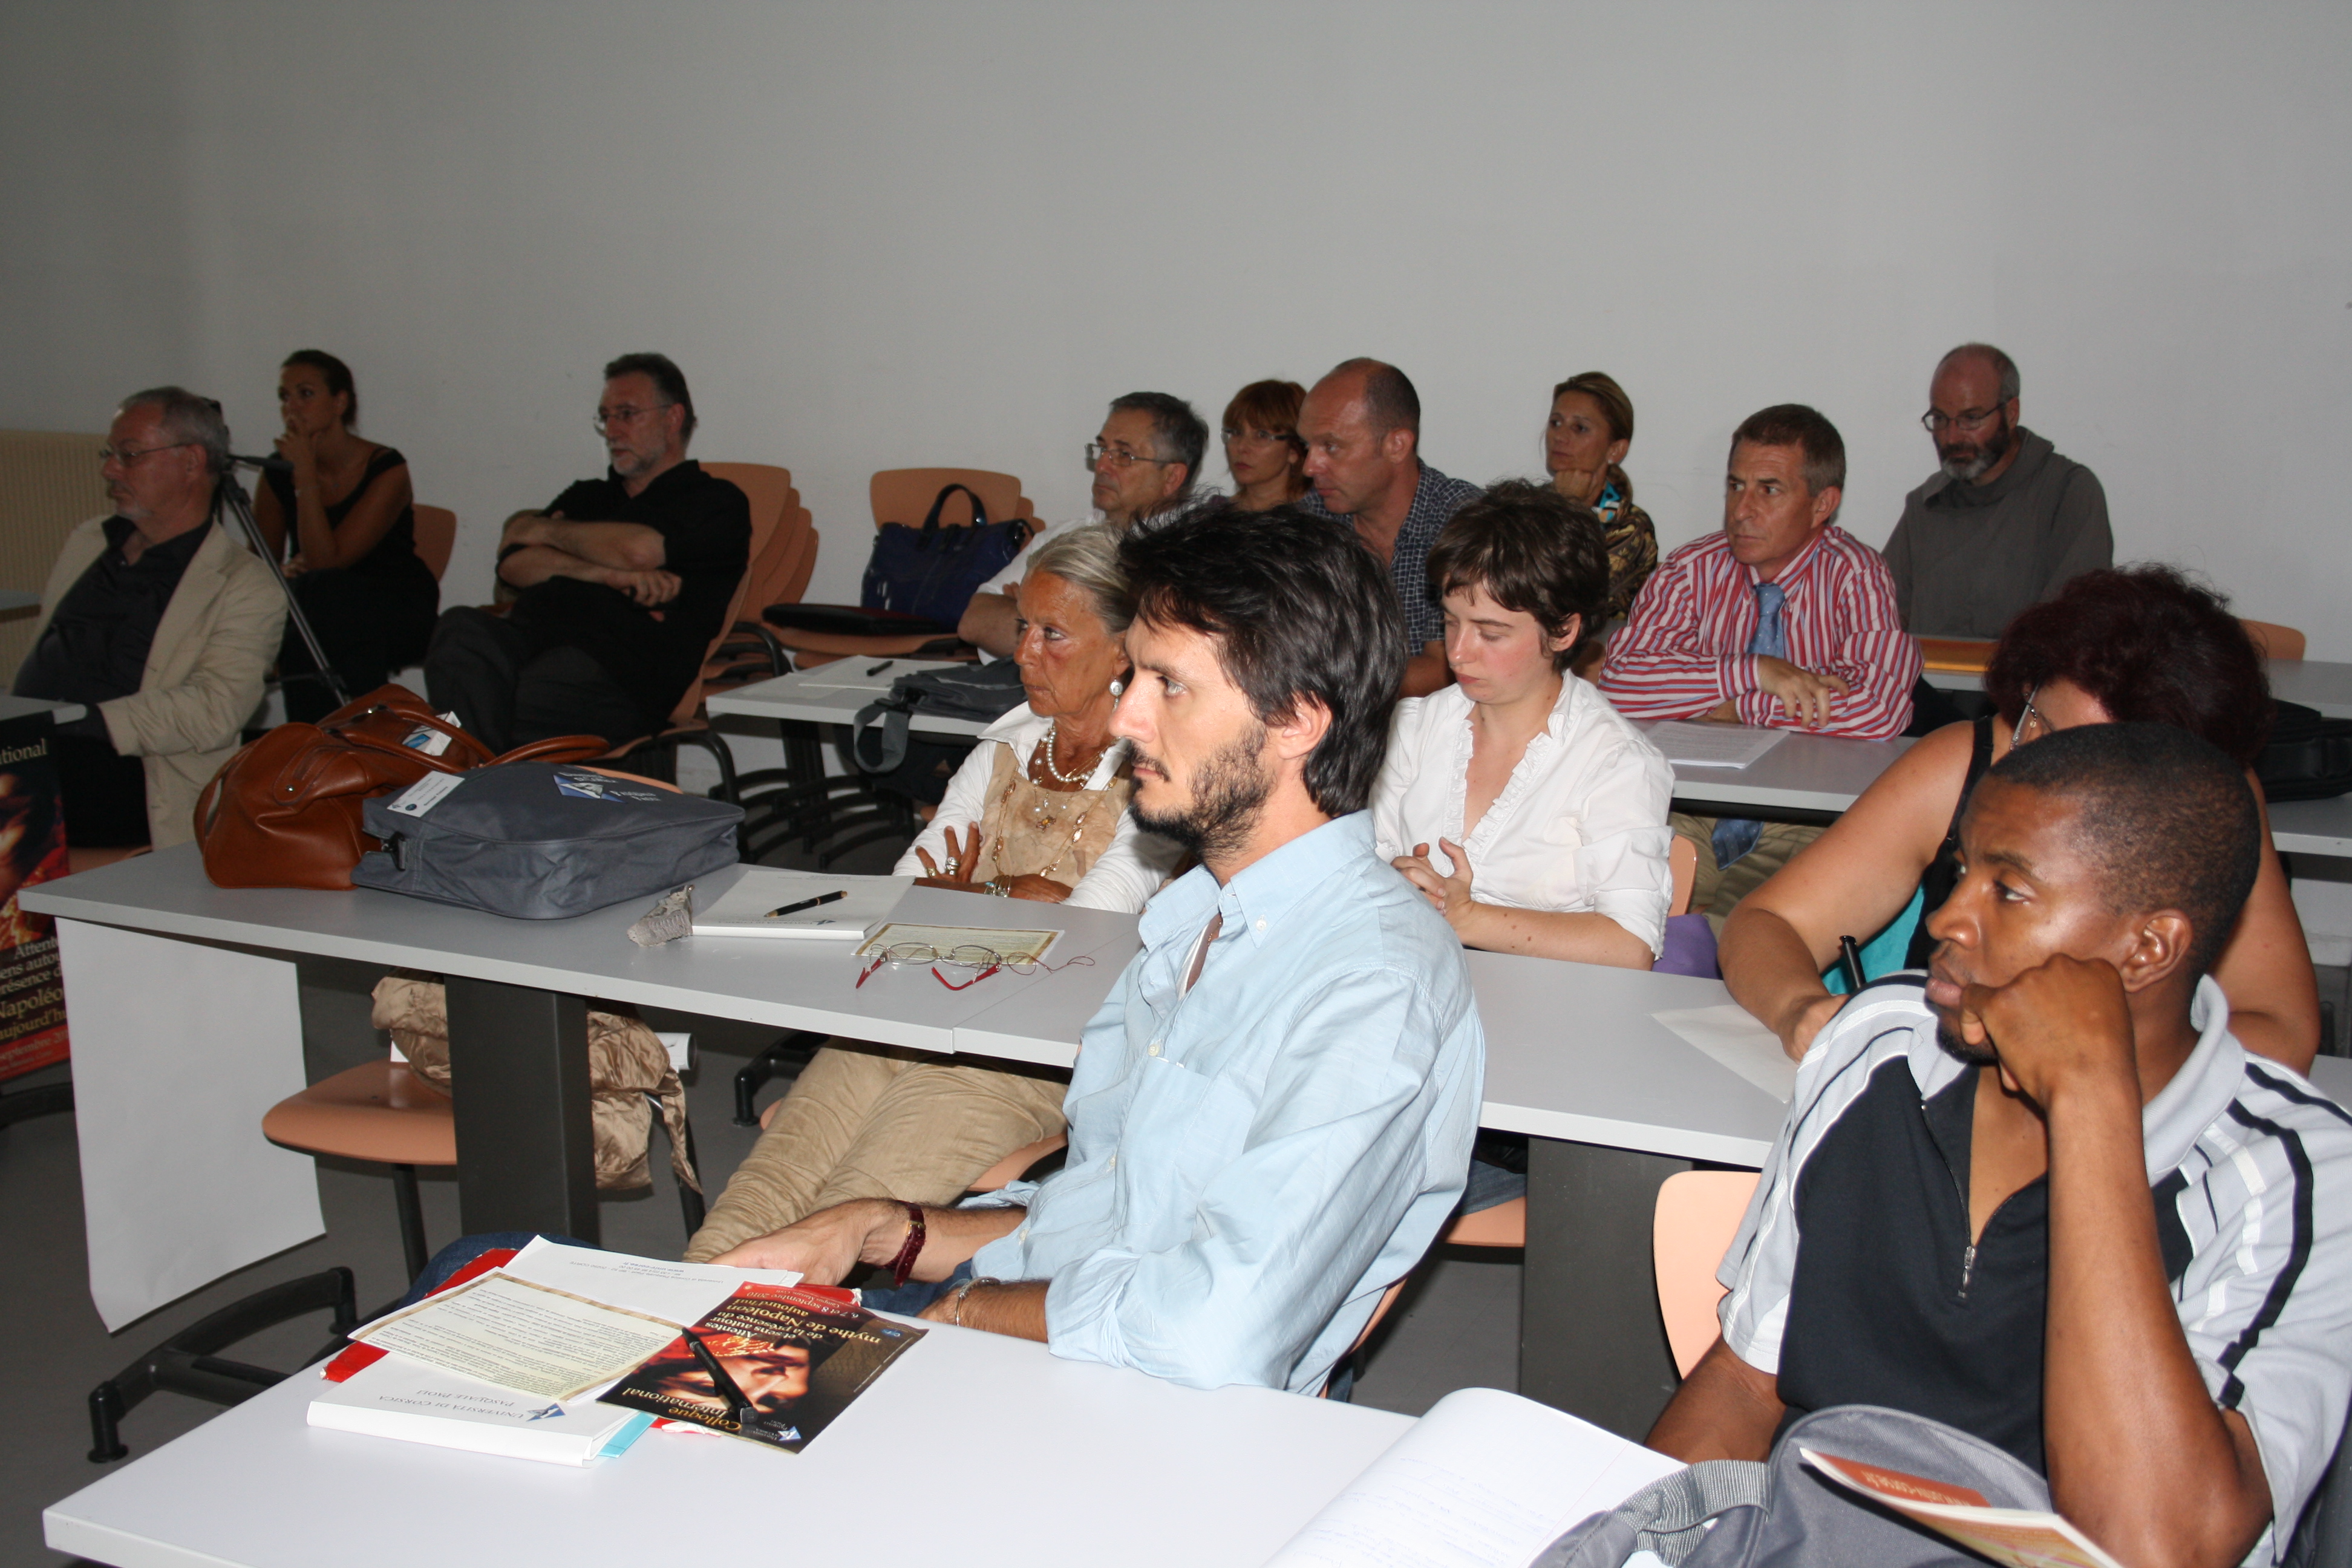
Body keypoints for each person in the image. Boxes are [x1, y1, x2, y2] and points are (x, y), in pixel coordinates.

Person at [713, 505, 1484, 1396]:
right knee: (701, 1330)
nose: (1125, 719)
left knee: (720, 1410)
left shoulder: (1373, 985)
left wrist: (962, 1314)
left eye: (1170, 686)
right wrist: (885, 1228)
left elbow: (1209, 1335)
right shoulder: (1188, 923)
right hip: (1045, 1336)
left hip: (1138, 1418)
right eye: (1134, 678)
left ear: (1296, 721)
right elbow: (1100, 1219)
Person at [1650, 723, 2352, 1568]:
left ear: (2148, 949)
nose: (1946, 918)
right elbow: (1745, 1382)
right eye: (1961, 872)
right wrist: (1642, 1544)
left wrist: (2088, 1099)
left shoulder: (2294, 1176)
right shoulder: (1882, 1042)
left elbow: (2154, 1547)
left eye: (2008, 892)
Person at [684, 524, 1182, 1259]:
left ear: (1121, 651)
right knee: (758, 1195)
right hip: (907, 1009)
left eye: (1052, 635)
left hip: (1022, 1053)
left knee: (846, 1218)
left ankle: (748, 1331)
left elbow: (1087, 926)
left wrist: (969, 893)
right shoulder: (1009, 743)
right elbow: (907, 890)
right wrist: (1014, 892)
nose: (1023, 653)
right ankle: (656, 1325)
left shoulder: (1163, 773)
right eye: (1023, 628)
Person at [1720, 565, 2320, 1070]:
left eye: (2088, 761)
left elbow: (2282, 1030)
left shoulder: (2213, 800)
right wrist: (1799, 1010)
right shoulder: (1963, 764)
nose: (2043, 764)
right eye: (2040, 724)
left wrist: (2077, 1061)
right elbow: (1767, 922)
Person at [1599, 404, 1918, 923]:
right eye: (1735, 486)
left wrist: (1738, 709)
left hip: (1802, 821)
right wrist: (1754, 672)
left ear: (1822, 505)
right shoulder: (1692, 568)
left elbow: (1880, 709)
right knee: (1628, 925)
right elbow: (1620, 683)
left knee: (1742, 942)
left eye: (1769, 490)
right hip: (1688, 808)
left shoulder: (1856, 575)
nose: (1741, 510)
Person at [1374, 481, 1671, 971]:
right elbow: (1354, 870)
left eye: (1490, 633)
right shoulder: (1414, 729)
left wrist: (1467, 917)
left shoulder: (1615, 761)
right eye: (1451, 622)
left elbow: (1630, 946)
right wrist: (1390, 881)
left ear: (1564, 631)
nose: (1459, 652)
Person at [423, 353, 749, 753]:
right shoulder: (587, 495)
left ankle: (460, 773)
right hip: (530, 640)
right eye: (605, 417)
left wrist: (547, 532)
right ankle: (470, 773)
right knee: (460, 628)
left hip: (619, 672)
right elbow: (514, 563)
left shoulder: (715, 501)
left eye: (626, 414)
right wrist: (607, 575)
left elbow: (639, 552)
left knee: (477, 708)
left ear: (673, 417)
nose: (612, 431)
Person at [13, 388, 286, 849]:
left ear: (191, 463)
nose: (109, 469)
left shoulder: (245, 584)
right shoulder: (88, 541)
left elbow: (216, 709)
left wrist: (81, 721)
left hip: (132, 780)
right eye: (109, 454)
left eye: (130, 454)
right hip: (30, 761)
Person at [251, 350, 439, 722]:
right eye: (284, 397)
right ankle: (340, 736)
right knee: (313, 601)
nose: (292, 408)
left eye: (306, 394)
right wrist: (283, 573)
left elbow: (327, 562)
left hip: (395, 602)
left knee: (322, 595)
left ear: (340, 402)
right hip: (321, 604)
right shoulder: (276, 473)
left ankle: (335, 737)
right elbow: (257, 565)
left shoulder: (387, 467)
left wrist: (305, 478)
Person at [1883, 343, 2112, 638]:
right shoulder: (1924, 506)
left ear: (2011, 413)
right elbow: (1877, 617)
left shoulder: (2068, 493)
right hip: (1928, 670)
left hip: (2028, 670)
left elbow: (2077, 629)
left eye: (1971, 419)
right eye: (1940, 419)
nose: (1951, 437)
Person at [956, 392, 1207, 658]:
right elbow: (974, 621)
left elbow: (1148, 655)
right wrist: (1066, 631)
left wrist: (1029, 615)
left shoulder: (1195, 554)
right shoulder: (1065, 536)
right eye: (1102, 449)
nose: (1102, 465)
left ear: (1172, 477)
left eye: (1124, 455)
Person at [1298, 358, 1483, 698]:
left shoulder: (1464, 521)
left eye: (1331, 447)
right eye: (1308, 447)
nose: (1310, 467)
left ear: (1397, 445)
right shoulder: (1311, 520)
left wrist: (1322, 691)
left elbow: (1446, 668)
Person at [1545, 371, 1656, 623]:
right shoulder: (1525, 505)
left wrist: (1567, 506)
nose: (1560, 436)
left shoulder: (1630, 527)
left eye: (1579, 428)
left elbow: (1563, 601)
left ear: (1615, 450)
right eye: (1556, 423)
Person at [1218, 378, 1308, 512]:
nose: (1242, 447)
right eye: (1236, 433)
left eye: (1262, 435)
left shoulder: (1321, 515)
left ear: (1294, 450)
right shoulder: (1213, 516)